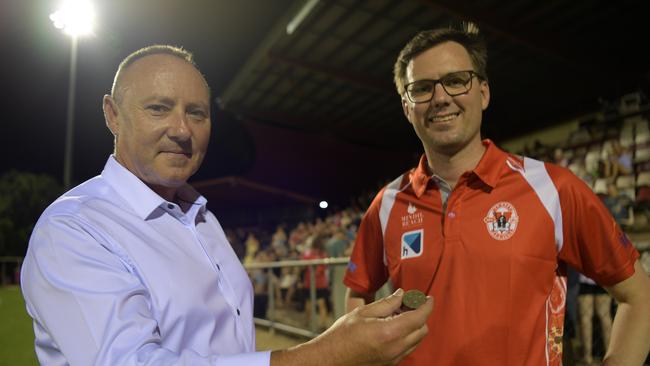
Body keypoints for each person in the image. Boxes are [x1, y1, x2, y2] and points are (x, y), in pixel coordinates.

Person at [20, 45, 433, 365]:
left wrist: (335, 345)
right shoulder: (74, 227)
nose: (182, 130)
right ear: (112, 114)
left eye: (196, 113)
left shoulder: (202, 218)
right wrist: (324, 356)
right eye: (159, 108)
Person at [343, 25, 650, 365]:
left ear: (484, 92)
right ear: (406, 106)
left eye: (457, 80)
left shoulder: (552, 188)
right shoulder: (386, 204)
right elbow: (359, 292)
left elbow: (639, 296)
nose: (441, 97)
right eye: (423, 88)